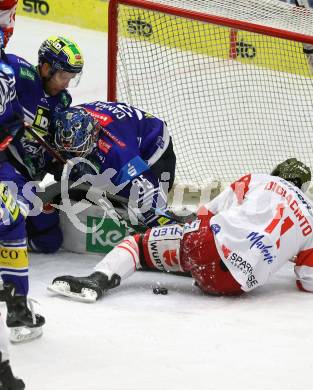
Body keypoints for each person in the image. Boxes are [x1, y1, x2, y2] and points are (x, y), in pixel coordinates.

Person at [48, 158, 313, 302]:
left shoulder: (259, 180)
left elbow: (207, 214)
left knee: (138, 246)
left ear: (277, 172)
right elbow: (307, 279)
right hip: (234, 286)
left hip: (205, 248)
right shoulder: (311, 218)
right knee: (202, 261)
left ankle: (98, 280)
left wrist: (182, 228)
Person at [5, 35, 84, 254]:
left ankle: (13, 237)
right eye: (62, 76)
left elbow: (51, 143)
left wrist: (58, 163)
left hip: (28, 178)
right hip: (8, 164)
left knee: (50, 240)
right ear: (46, 67)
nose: (66, 83)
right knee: (11, 213)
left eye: (71, 77)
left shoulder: (62, 102)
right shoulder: (21, 74)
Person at [52, 101, 176, 228]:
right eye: (69, 152)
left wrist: (160, 224)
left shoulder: (118, 152)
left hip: (153, 145)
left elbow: (147, 190)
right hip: (119, 127)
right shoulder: (63, 123)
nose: (74, 156)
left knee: (139, 208)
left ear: (94, 135)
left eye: (78, 150)